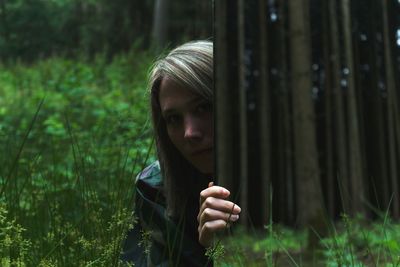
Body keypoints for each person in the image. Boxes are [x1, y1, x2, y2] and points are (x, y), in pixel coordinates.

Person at [121, 40, 241, 266]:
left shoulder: (287, 172)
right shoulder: (155, 189)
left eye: (203, 107)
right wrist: (213, 254)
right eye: (174, 119)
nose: (189, 133)